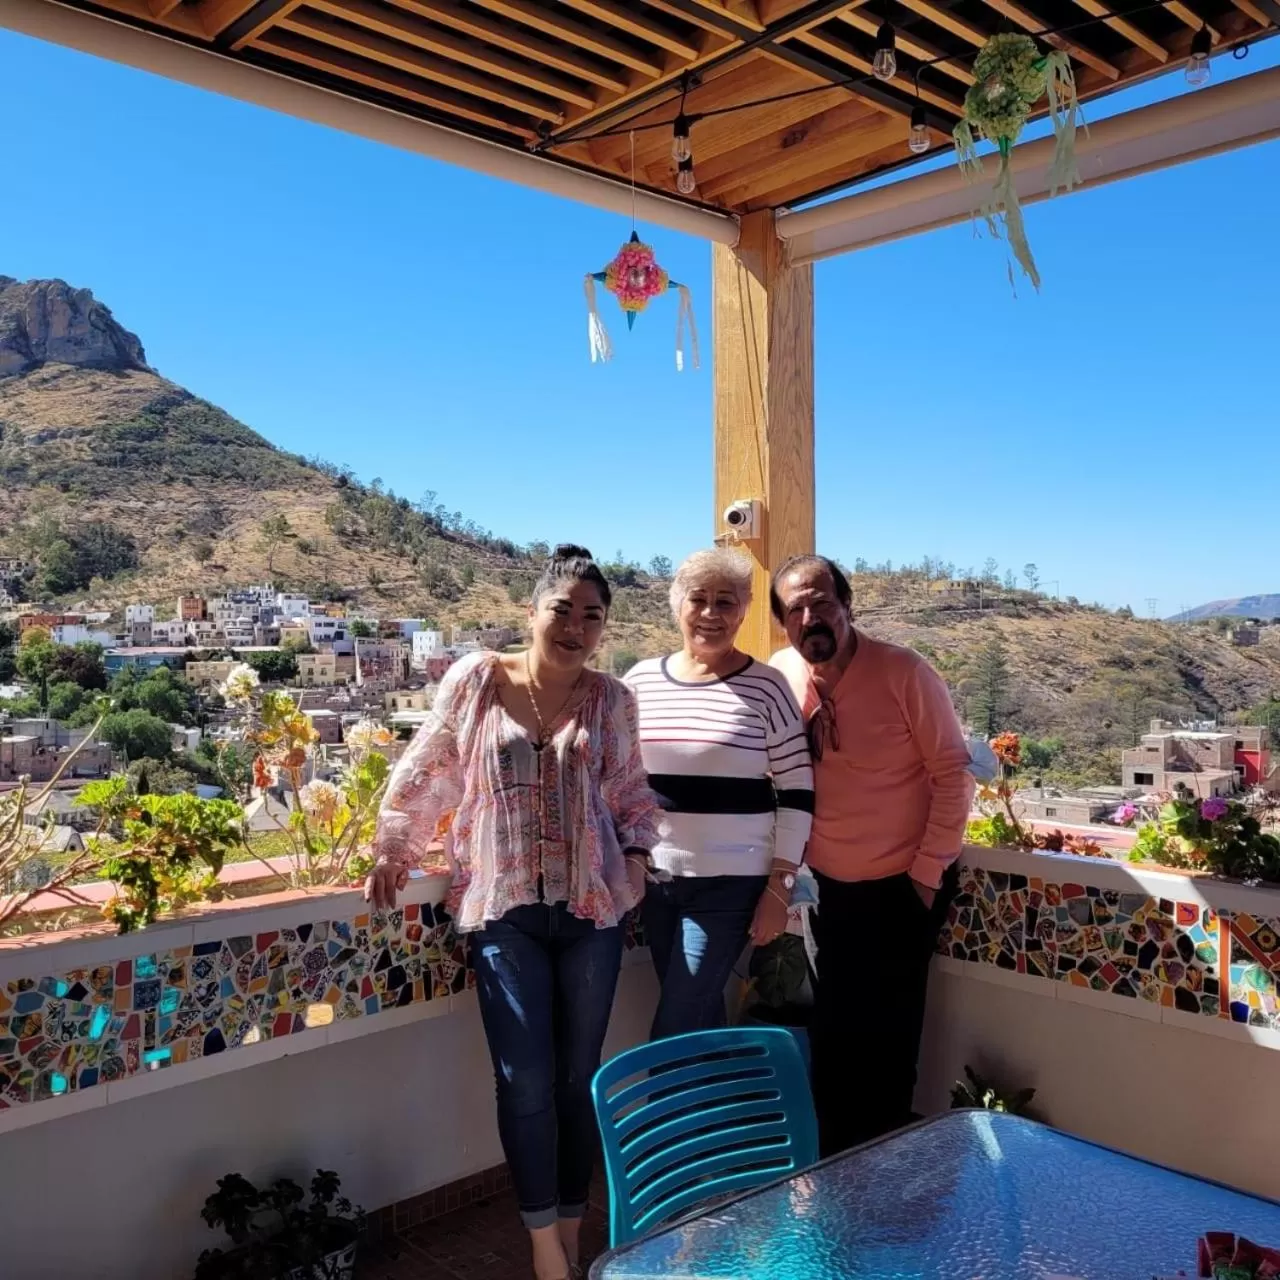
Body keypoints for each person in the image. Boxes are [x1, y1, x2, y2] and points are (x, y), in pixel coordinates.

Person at [366, 546, 660, 1280]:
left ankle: (568, 1220)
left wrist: (636, 864)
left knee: (575, 1078)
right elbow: (430, 765)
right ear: (531, 613)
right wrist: (394, 845)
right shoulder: (477, 681)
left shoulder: (612, 699)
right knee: (524, 1078)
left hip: (591, 908)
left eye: (592, 616)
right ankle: (540, 1243)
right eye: (563, 609)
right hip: (501, 907)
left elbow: (629, 793)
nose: (576, 626)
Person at [769, 555, 973, 1156]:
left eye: (821, 602)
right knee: (831, 1032)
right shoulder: (783, 675)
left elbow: (952, 775)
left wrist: (926, 878)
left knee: (889, 1037)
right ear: (783, 622)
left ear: (847, 605)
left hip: (901, 887)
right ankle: (834, 1174)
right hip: (827, 888)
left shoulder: (905, 673)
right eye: (796, 609)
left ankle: (886, 1179)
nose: (811, 618)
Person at [625, 549, 813, 1040]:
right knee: (700, 1020)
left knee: (676, 1024)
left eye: (725, 602)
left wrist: (780, 888)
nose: (711, 614)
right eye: (699, 599)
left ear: (744, 610)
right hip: (658, 882)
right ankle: (726, 1115)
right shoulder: (640, 681)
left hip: (731, 884)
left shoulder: (767, 689)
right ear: (677, 605)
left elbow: (797, 790)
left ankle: (653, 1118)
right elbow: (616, 779)